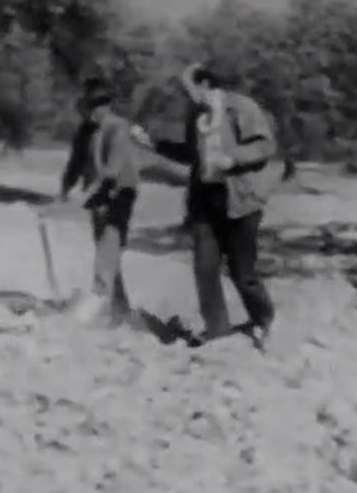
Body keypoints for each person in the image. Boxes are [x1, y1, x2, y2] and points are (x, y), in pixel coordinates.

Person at [130, 63, 277, 349]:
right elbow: (191, 154)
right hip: (205, 201)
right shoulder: (196, 115)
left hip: (241, 201)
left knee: (242, 273)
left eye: (189, 89)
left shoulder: (241, 108)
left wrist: (233, 159)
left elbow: (264, 147)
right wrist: (152, 144)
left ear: (205, 84)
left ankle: (264, 321)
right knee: (204, 267)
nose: (186, 96)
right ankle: (217, 330)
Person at [59, 77, 141, 326]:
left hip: (119, 192)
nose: (93, 111)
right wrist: (65, 189)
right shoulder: (86, 130)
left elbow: (112, 170)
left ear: (106, 105)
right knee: (105, 250)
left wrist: (86, 194)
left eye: (98, 105)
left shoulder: (118, 127)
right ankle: (118, 308)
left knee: (108, 247)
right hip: (97, 195)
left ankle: (103, 306)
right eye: (89, 106)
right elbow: (76, 162)